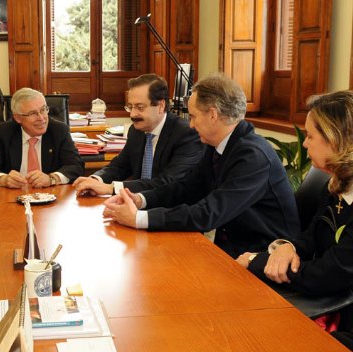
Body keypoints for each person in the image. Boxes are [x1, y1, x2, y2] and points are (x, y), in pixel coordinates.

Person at [103, 74, 300, 257]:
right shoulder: (218, 145)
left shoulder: (252, 157)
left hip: (264, 260)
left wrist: (139, 218)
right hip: (231, 251)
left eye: (194, 116)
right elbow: (186, 188)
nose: (190, 124)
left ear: (213, 115)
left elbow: (209, 213)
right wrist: (141, 200)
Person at [236, 90, 353, 306]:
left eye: (310, 136)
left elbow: (330, 273)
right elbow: (311, 236)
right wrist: (288, 247)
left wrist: (257, 261)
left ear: (336, 140)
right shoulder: (335, 183)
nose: (305, 144)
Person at [73, 74, 203, 196]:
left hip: (169, 210)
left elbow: (166, 182)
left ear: (161, 106)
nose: (132, 114)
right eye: (130, 107)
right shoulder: (136, 131)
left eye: (140, 107)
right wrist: (96, 179)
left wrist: (111, 188)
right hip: (135, 206)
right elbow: (120, 166)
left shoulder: (186, 134)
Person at [0, 87, 84, 188]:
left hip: (52, 196)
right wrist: (3, 179)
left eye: (43, 109)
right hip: (13, 196)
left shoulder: (59, 130)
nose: (42, 118)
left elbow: (76, 166)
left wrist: (51, 179)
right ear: (18, 118)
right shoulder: (3, 132)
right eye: (33, 113)